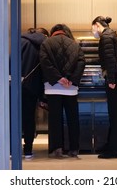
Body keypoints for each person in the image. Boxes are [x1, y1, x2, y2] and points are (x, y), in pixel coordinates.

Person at [39, 24, 85, 159]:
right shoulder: (75, 44)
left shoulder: (46, 43)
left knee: (55, 119)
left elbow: (44, 62)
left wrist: (58, 79)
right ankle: (74, 149)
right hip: (70, 89)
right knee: (72, 118)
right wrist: (71, 79)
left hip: (52, 87)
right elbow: (81, 62)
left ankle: (57, 148)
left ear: (53, 32)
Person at [91, 16, 117, 159]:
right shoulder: (114, 35)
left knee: (115, 115)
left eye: (92, 28)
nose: (93, 31)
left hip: (116, 78)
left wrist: (111, 80)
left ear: (96, 25)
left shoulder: (106, 37)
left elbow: (110, 60)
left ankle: (114, 151)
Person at [21, 27, 49, 160]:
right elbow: (45, 68)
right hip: (32, 87)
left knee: (13, 118)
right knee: (29, 118)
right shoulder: (44, 45)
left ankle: (10, 148)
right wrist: (42, 95)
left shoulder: (20, 41)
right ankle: (28, 150)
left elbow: (9, 60)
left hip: (16, 85)